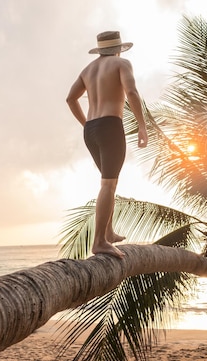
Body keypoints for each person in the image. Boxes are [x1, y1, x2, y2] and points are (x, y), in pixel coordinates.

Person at [66, 31, 148, 259]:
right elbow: (131, 92)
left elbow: (70, 99)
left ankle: (108, 231)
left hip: (91, 129)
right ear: (118, 48)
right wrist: (142, 126)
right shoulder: (122, 63)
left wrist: (86, 123)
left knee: (108, 180)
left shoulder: (87, 70)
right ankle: (100, 241)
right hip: (110, 126)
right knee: (108, 185)